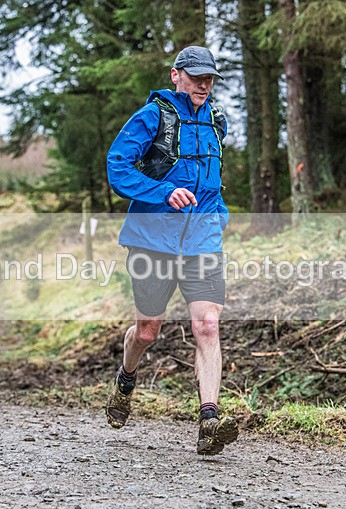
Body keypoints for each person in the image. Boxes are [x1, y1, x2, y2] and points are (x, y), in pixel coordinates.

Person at [105, 46, 237, 456]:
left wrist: (219, 218)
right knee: (148, 330)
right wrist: (164, 192)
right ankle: (127, 378)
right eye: (196, 76)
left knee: (208, 326)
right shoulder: (152, 117)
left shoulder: (217, 121)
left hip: (201, 242)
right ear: (176, 75)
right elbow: (117, 166)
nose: (203, 83)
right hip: (153, 241)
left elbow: (212, 182)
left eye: (210, 77)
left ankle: (209, 421)